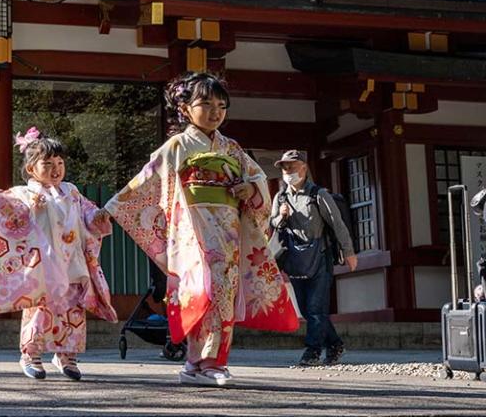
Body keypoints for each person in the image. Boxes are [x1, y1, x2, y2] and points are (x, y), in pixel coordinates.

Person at [105, 72, 299, 387]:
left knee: (221, 293)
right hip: (191, 229)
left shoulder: (232, 147)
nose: (215, 112)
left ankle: (210, 362)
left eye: (221, 106)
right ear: (184, 109)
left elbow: (257, 180)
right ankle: (197, 361)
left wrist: (250, 190)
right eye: (206, 104)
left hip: (228, 231)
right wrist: (111, 208)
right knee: (197, 291)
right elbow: (145, 182)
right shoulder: (177, 146)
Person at [0, 127, 117, 382]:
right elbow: (4, 211)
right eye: (47, 163)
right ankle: (30, 354)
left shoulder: (72, 191)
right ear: (32, 168)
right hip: (41, 264)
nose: (56, 169)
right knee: (39, 310)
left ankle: (67, 354)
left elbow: (87, 213)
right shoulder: (24, 193)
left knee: (73, 309)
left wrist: (96, 216)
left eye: (60, 162)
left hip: (71, 261)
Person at [271, 149, 358, 367]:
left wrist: (349, 252)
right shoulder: (281, 197)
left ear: (304, 167)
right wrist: (280, 217)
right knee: (307, 309)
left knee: (315, 308)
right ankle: (335, 344)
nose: (288, 171)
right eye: (284, 167)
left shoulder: (318, 194)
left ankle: (312, 350)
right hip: (295, 258)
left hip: (320, 256)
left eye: (292, 166)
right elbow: (270, 224)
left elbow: (337, 224)